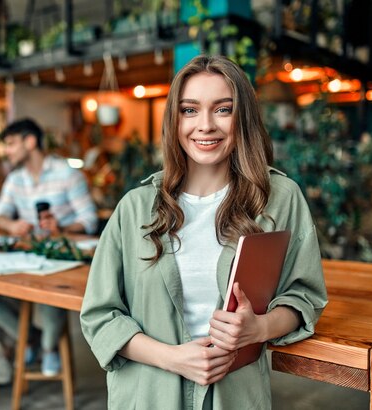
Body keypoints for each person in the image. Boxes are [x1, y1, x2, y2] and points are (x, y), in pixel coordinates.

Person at [79, 55, 328, 409]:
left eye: (223, 109)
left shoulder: (279, 199)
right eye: (190, 110)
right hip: (149, 394)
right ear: (174, 120)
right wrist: (172, 357)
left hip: (235, 395)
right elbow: (100, 316)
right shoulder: (134, 208)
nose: (206, 125)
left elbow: (303, 296)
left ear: (242, 118)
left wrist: (259, 328)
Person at [0, 118, 98, 385]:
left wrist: (61, 227)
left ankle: (49, 349)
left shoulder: (67, 174)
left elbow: (90, 220)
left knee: (48, 293)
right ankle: (31, 339)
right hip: (28, 255)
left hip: (61, 257)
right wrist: (11, 224)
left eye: (12, 144)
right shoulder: (15, 179)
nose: (8, 151)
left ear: (30, 142)